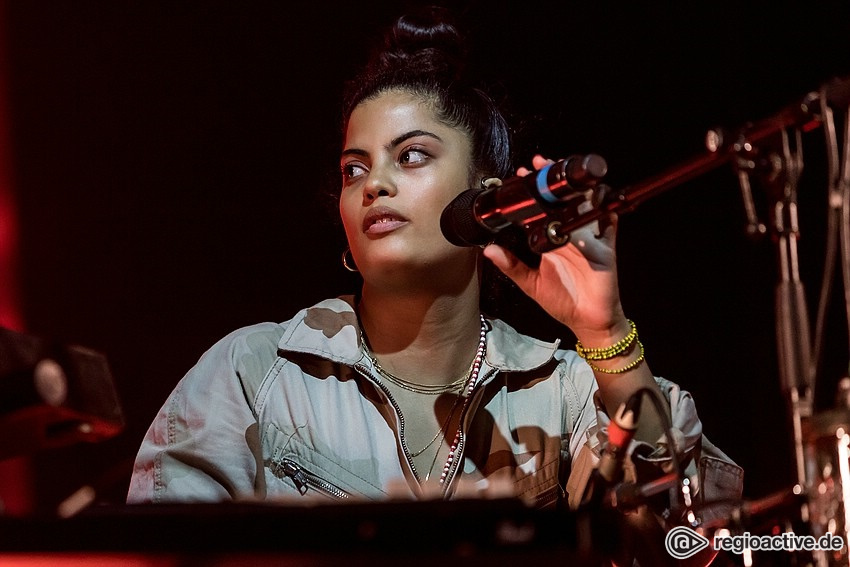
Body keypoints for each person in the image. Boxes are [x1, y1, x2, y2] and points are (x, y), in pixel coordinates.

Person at [127, 6, 741, 531]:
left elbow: (681, 539)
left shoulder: (564, 394)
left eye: (412, 155)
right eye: (354, 169)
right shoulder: (252, 375)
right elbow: (153, 556)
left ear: (485, 198)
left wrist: (606, 338)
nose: (376, 186)